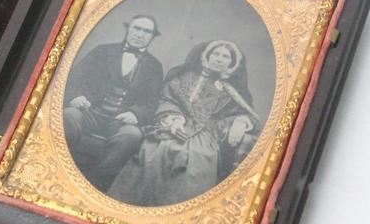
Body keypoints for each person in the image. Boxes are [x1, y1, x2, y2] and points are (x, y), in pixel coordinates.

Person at [108, 40, 261, 206]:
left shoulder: (232, 91)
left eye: (225, 56)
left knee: (197, 158)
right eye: (216, 54)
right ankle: (136, 205)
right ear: (207, 56)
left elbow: (243, 113)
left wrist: (240, 122)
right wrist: (174, 119)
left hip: (206, 135)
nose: (219, 59)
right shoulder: (184, 77)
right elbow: (167, 99)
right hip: (174, 126)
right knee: (158, 151)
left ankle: (181, 212)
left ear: (231, 63)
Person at [63, 14, 164, 192]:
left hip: (120, 121)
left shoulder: (155, 66)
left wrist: (135, 113)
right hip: (90, 111)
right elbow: (74, 79)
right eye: (137, 28)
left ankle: (95, 186)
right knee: (69, 115)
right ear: (128, 28)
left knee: (132, 135)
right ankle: (62, 170)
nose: (140, 34)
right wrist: (76, 96)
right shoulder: (102, 52)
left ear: (152, 36)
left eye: (146, 31)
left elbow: (152, 101)